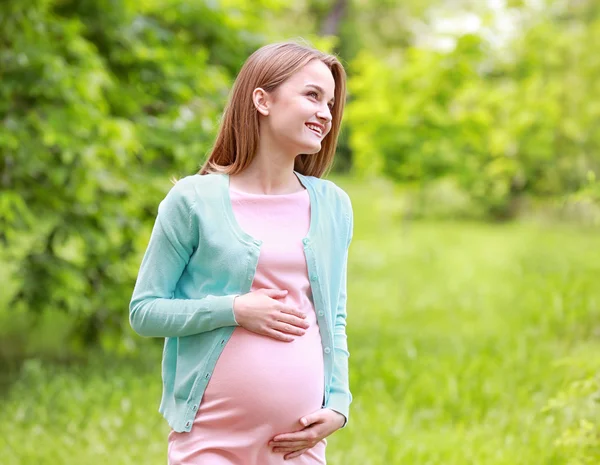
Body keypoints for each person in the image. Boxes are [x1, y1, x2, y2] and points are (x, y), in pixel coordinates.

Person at [129, 40, 354, 464]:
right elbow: (145, 311)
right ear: (262, 100)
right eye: (312, 95)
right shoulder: (193, 200)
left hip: (299, 443)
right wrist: (234, 308)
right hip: (211, 439)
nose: (326, 113)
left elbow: (334, 317)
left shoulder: (333, 205)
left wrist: (338, 405)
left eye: (330, 102)